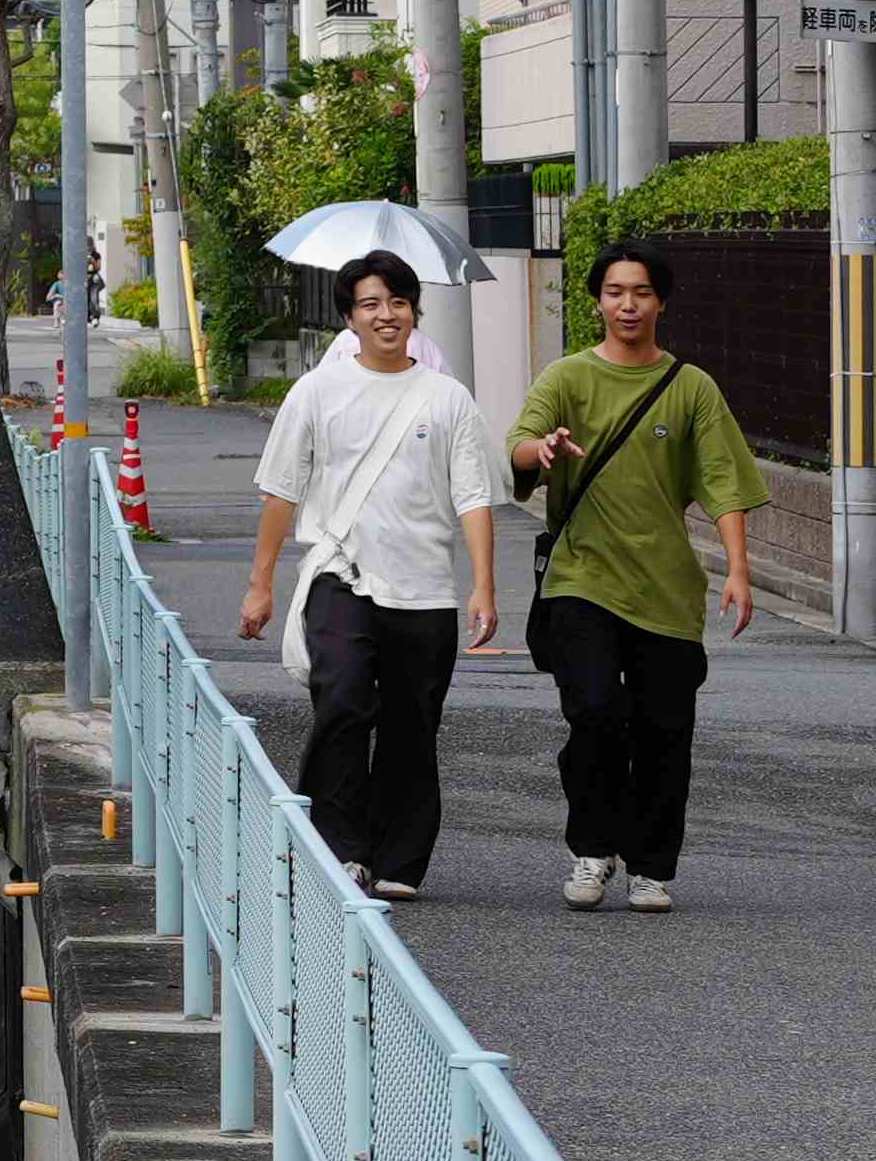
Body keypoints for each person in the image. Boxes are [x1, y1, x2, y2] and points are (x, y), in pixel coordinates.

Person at [241, 248, 505, 897]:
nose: (387, 315)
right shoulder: (317, 392)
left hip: (424, 588)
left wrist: (484, 585)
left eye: (398, 302)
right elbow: (280, 492)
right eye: (371, 304)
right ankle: (339, 847)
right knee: (344, 701)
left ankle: (397, 860)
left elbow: (473, 497)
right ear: (350, 319)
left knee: (413, 725)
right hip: (342, 576)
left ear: (414, 311)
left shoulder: (447, 398)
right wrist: (260, 584)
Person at [512, 245, 764, 911]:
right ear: (597, 300)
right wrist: (542, 450)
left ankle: (650, 866)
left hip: (665, 590)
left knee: (664, 730)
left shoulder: (691, 387)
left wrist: (738, 569)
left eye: (642, 292)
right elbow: (520, 444)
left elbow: (723, 482)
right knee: (594, 710)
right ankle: (593, 849)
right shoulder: (566, 377)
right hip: (581, 578)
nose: (628, 305)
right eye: (616, 292)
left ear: (661, 302)